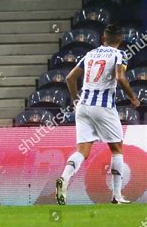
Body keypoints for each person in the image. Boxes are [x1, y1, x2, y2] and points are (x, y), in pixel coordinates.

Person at [56, 24, 141, 205]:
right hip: (103, 107)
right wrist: (133, 97)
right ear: (119, 40)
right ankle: (117, 196)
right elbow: (120, 77)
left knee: (82, 151)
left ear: (103, 39)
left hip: (83, 106)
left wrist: (74, 100)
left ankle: (64, 178)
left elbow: (70, 78)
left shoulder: (89, 54)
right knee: (116, 148)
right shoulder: (119, 54)